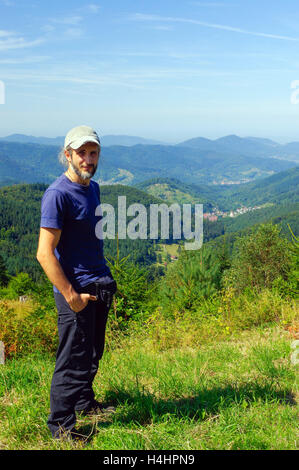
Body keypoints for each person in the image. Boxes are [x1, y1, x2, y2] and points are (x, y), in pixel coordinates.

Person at [36, 125, 117, 439]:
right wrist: (71, 295)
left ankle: (85, 402)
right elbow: (45, 253)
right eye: (81, 152)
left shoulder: (92, 187)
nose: (87, 158)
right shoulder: (58, 194)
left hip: (98, 284)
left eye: (93, 152)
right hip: (76, 290)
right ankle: (61, 428)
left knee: (92, 353)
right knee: (71, 361)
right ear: (67, 155)